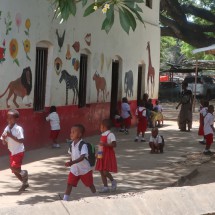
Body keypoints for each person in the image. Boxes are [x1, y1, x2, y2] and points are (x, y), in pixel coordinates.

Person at [63, 124, 96, 201]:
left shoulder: (83, 145)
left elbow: (82, 157)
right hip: (74, 169)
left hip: (85, 169)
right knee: (69, 184)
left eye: (73, 132)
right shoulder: (71, 144)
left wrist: (71, 163)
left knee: (90, 184)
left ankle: (96, 196)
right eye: (71, 132)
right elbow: (72, 155)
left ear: (80, 134)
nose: (71, 134)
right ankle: (65, 199)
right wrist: (70, 162)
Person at [0, 109, 29, 191]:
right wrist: (4, 139)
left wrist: (10, 135)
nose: (9, 120)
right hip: (12, 152)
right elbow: (4, 142)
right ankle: (25, 183)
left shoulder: (18, 129)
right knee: (15, 171)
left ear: (16, 119)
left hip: (19, 151)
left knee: (13, 167)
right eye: (8, 118)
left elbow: (21, 140)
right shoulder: (7, 128)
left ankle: (24, 173)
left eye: (11, 118)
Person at [95, 119, 117, 193]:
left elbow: (114, 144)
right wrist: (98, 154)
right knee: (101, 171)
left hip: (108, 155)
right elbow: (101, 146)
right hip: (101, 154)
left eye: (101, 127)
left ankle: (113, 181)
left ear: (105, 127)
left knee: (105, 172)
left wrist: (105, 144)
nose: (100, 128)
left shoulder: (111, 134)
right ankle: (105, 186)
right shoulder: (102, 135)